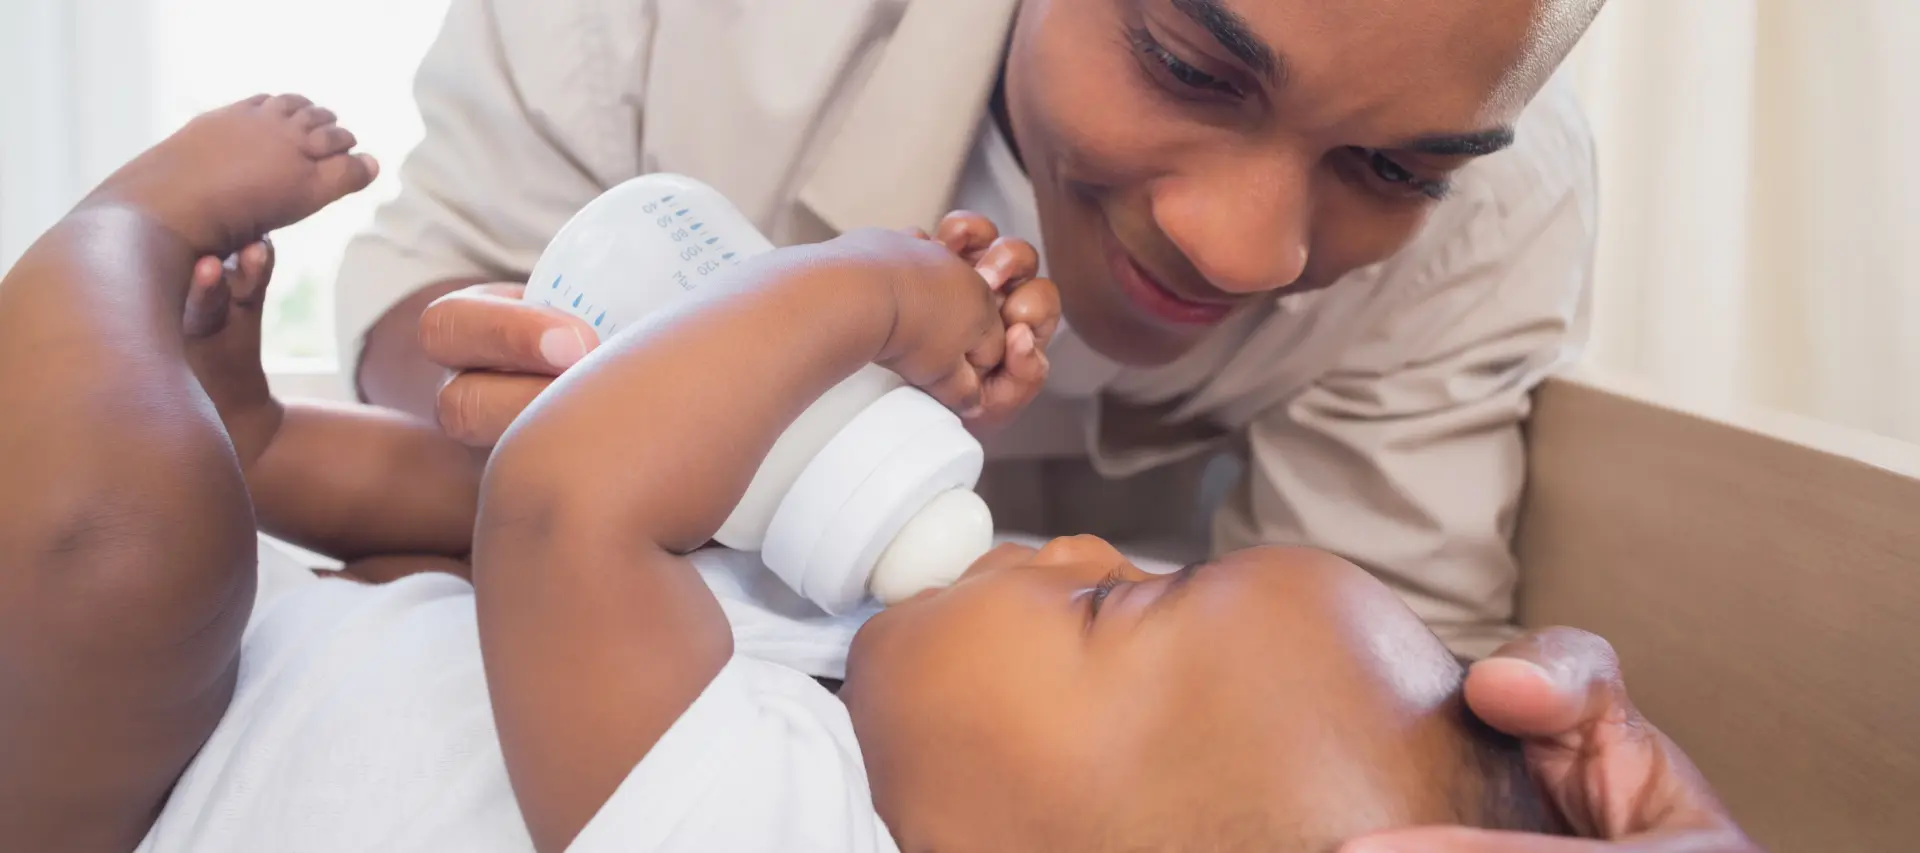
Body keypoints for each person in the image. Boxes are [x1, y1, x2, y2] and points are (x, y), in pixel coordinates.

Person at [0, 97, 1758, 853]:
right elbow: (508, 506)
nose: (1071, 532)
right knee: (336, 533)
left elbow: (565, 503)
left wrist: (859, 288)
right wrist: (299, 459)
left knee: (112, 543)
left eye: (1115, 596)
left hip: (124, 790)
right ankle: (263, 442)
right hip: (248, 678)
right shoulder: (845, 702)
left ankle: (112, 232)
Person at [341, 0, 1602, 662]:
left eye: (1393, 170)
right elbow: (430, 293)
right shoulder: (675, 25)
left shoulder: (1503, 197)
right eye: (1188, 66)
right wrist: (558, 397)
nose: (1244, 248)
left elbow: (1382, 649)